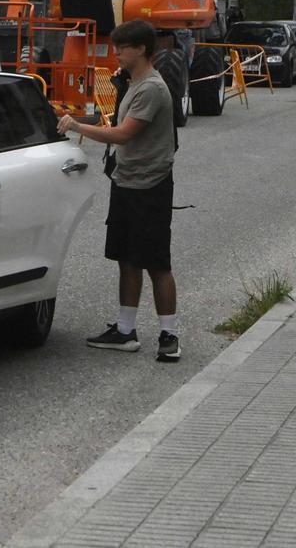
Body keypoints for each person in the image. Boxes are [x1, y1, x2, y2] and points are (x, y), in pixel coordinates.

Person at [56, 20, 180, 363]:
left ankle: (170, 334)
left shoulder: (152, 88)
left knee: (156, 262)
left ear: (140, 49)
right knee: (126, 259)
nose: (117, 54)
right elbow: (113, 127)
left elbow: (124, 134)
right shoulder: (132, 83)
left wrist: (78, 127)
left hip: (150, 185)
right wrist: (69, 116)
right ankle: (126, 331)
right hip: (126, 181)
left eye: (122, 48)